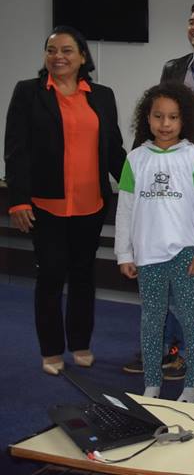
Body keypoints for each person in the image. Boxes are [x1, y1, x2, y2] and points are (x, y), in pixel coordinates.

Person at [5, 26, 126, 375]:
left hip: (91, 204)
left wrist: (139, 186)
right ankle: (52, 351)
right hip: (46, 205)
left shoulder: (102, 96)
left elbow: (113, 149)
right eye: (51, 50)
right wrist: (18, 200)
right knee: (51, 276)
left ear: (82, 56)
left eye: (67, 50)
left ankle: (81, 344)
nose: (58, 56)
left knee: (83, 276)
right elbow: (15, 150)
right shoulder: (28, 92)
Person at [115, 83, 194, 403]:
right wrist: (124, 253)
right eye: (158, 116)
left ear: (185, 120)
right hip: (148, 254)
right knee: (151, 320)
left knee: (191, 319)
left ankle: (193, 384)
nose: (165, 124)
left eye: (173, 117)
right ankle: (152, 383)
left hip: (185, 252)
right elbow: (125, 209)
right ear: (147, 118)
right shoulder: (136, 159)